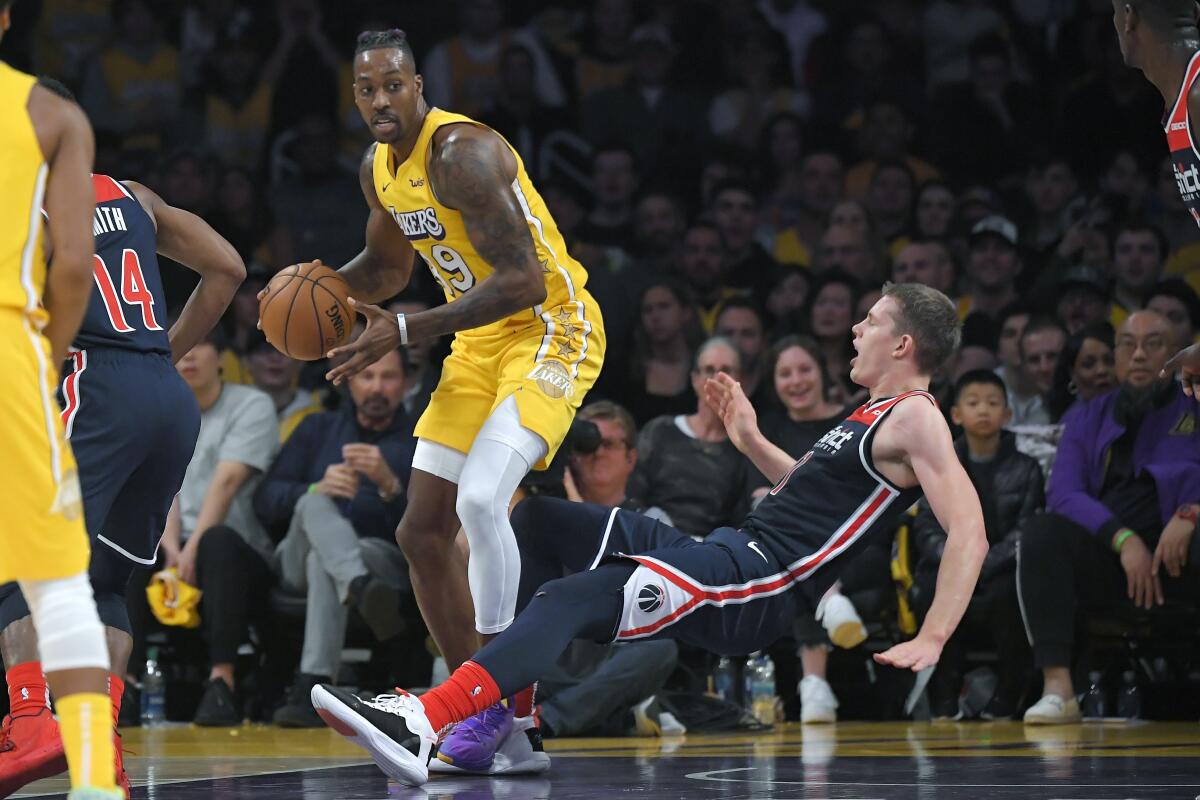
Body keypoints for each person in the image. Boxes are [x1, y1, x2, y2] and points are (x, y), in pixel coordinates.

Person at [310, 283, 988, 788]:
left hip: (757, 584)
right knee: (538, 522)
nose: (856, 332)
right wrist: (750, 438)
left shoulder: (918, 418)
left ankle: (430, 716)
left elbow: (969, 533)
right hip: (733, 548)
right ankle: (508, 727)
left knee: (570, 598)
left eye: (870, 323)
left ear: (903, 344)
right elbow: (813, 494)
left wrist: (933, 634)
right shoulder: (871, 415)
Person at [306, 29, 605, 773]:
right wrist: (314, 292)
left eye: (392, 85)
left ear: (417, 85)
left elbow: (523, 280)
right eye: (366, 88)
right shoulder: (379, 168)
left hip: (550, 330)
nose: (380, 99)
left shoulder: (462, 155)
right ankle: (486, 714)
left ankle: (504, 706)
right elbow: (383, 266)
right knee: (420, 532)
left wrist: (406, 329)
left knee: (479, 503)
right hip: (476, 345)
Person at [0, 85, 245, 797]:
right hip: (165, 397)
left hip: (93, 386)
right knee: (106, 581)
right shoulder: (132, 194)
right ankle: (96, 742)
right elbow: (227, 267)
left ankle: (28, 722)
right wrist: (159, 356)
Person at [0, 10, 121, 796]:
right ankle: (94, 782)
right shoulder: (52, 112)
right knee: (56, 579)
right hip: (10, 343)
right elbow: (73, 265)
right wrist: (45, 359)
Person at [1019, 311, 1200, 724]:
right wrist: (1123, 540)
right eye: (1127, 344)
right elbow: (1063, 494)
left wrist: (1191, 512)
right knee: (1042, 533)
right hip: (1114, 560)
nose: (1138, 355)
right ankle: (1059, 691)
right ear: (1115, 355)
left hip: (1183, 556)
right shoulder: (1084, 416)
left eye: (1153, 344)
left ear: (1175, 356)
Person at [253, 347, 416, 727]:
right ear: (349, 381)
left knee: (325, 561)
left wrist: (391, 487)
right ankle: (358, 586)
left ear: (405, 383)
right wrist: (313, 489)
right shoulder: (315, 428)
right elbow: (264, 500)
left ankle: (314, 682)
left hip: (379, 557)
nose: (377, 387)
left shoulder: (418, 441)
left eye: (388, 377)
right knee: (314, 505)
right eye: (367, 376)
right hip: (297, 555)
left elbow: (431, 530)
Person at [912, 370, 1043, 720]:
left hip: (1001, 569)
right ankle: (944, 694)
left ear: (1008, 414)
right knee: (931, 587)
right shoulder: (938, 466)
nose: (983, 410)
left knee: (1009, 593)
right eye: (973, 403)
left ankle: (1009, 691)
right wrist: (957, 561)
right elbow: (925, 526)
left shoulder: (1027, 468)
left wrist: (980, 564)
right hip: (952, 567)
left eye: (992, 403)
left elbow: (1027, 529)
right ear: (956, 415)